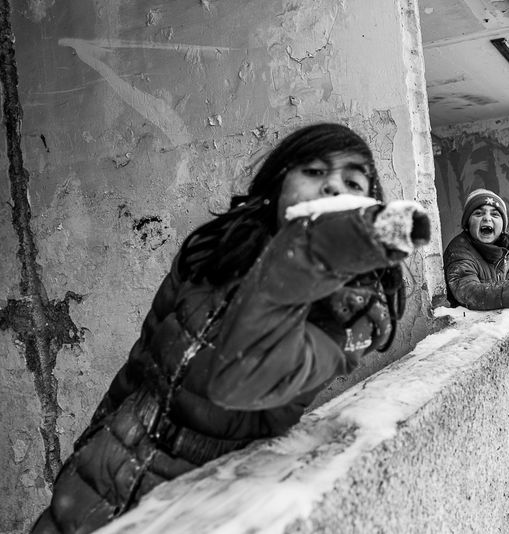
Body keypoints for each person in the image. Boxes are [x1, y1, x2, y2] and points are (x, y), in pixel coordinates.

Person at [31, 123, 430, 534]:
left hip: (201, 499)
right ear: (277, 183)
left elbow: (244, 379)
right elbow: (140, 364)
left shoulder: (355, 310)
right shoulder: (216, 249)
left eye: (352, 181)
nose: (332, 187)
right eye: (313, 172)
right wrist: (92, 442)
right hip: (98, 472)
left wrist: (312, 250)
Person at [443, 189, 509, 310]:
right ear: (467, 224)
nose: (487, 218)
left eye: (495, 214)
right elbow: (471, 293)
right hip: (469, 325)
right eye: (478, 214)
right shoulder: (459, 252)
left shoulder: (498, 251)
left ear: (502, 227)